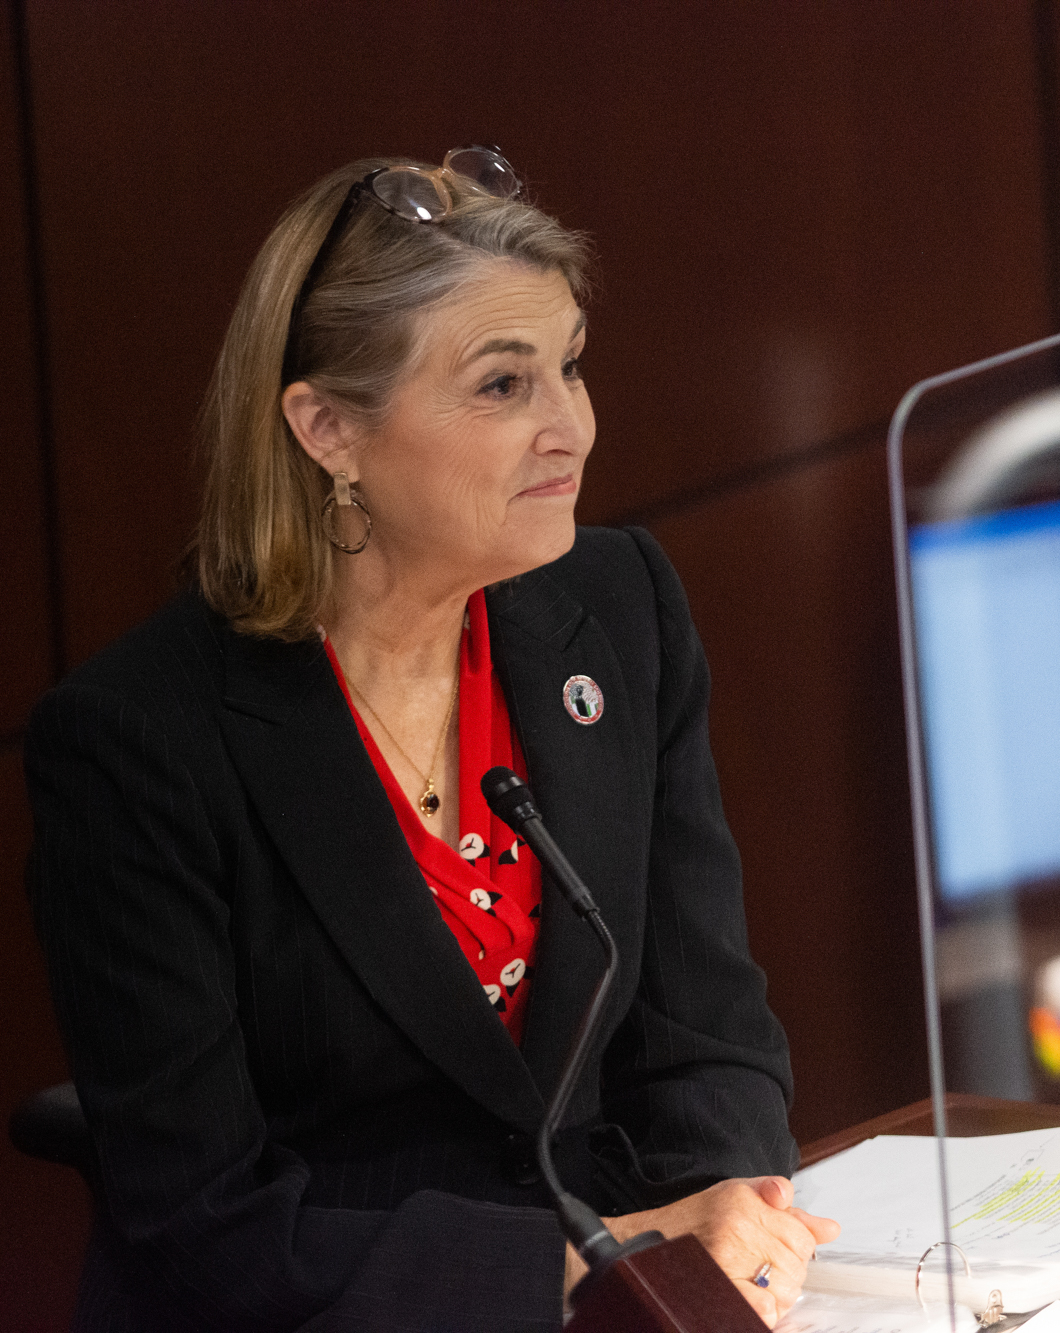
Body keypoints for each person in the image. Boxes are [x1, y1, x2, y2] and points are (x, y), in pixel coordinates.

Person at [26, 148, 837, 1332]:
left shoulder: (615, 609)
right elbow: (205, 1220)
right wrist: (585, 1269)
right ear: (327, 430)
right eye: (502, 387)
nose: (569, 427)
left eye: (570, 366)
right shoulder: (138, 742)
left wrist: (729, 1225)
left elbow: (705, 1029)